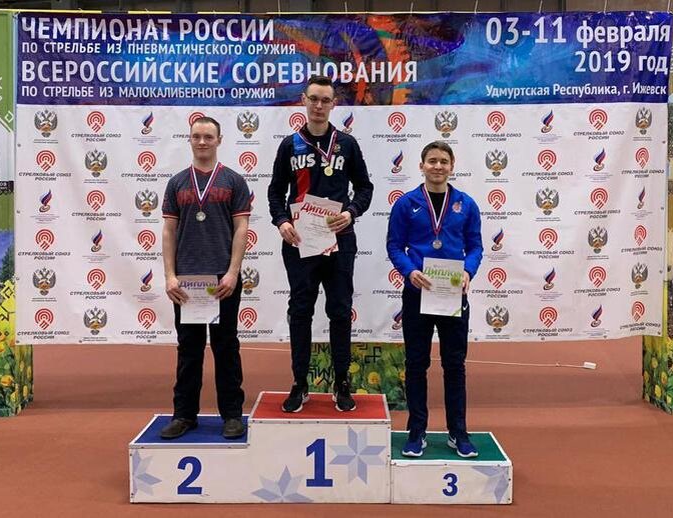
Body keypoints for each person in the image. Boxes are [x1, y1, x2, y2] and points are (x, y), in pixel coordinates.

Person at [268, 75, 374, 412]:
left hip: (339, 239)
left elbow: (365, 188)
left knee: (340, 310)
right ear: (303, 100)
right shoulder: (290, 145)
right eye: (313, 98)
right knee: (300, 311)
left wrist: (351, 212)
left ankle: (342, 381)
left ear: (334, 104)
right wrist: (282, 221)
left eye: (325, 100)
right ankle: (300, 383)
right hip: (300, 242)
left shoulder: (347, 144)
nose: (318, 105)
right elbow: (275, 192)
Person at [386, 141, 483, 458]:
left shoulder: (466, 205)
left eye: (443, 161)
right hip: (418, 293)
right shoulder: (406, 204)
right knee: (416, 364)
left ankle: (458, 432)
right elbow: (394, 246)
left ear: (452, 166)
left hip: (452, 293)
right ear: (421, 166)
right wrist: (409, 271)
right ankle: (417, 431)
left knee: (455, 365)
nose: (438, 166)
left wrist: (468, 271)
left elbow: (476, 246)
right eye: (432, 161)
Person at [160, 117, 251, 440]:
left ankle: (232, 415)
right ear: (189, 139)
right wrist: (170, 276)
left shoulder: (234, 181)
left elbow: (241, 228)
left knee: (226, 348)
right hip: (187, 282)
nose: (202, 142)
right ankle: (184, 415)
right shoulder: (177, 183)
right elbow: (169, 232)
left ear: (219, 140)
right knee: (189, 350)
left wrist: (233, 272)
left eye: (208, 137)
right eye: (197, 136)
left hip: (222, 280)